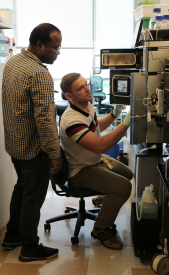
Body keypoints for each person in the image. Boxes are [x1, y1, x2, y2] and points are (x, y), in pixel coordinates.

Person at [1, 23, 63, 262]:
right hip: (33, 148)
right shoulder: (40, 73)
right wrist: (54, 153)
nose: (58, 52)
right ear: (39, 45)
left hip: (15, 144)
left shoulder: (14, 62)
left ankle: (12, 235)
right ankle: (29, 248)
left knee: (22, 189)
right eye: (55, 48)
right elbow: (45, 121)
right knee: (33, 199)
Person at [59, 72, 133, 250]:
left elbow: (95, 126)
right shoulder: (71, 121)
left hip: (93, 160)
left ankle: (102, 197)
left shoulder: (86, 105)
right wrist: (127, 123)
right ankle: (100, 229)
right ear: (69, 96)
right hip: (81, 170)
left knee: (127, 174)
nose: (87, 89)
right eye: (81, 88)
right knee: (124, 187)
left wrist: (115, 115)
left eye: (86, 84)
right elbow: (100, 146)